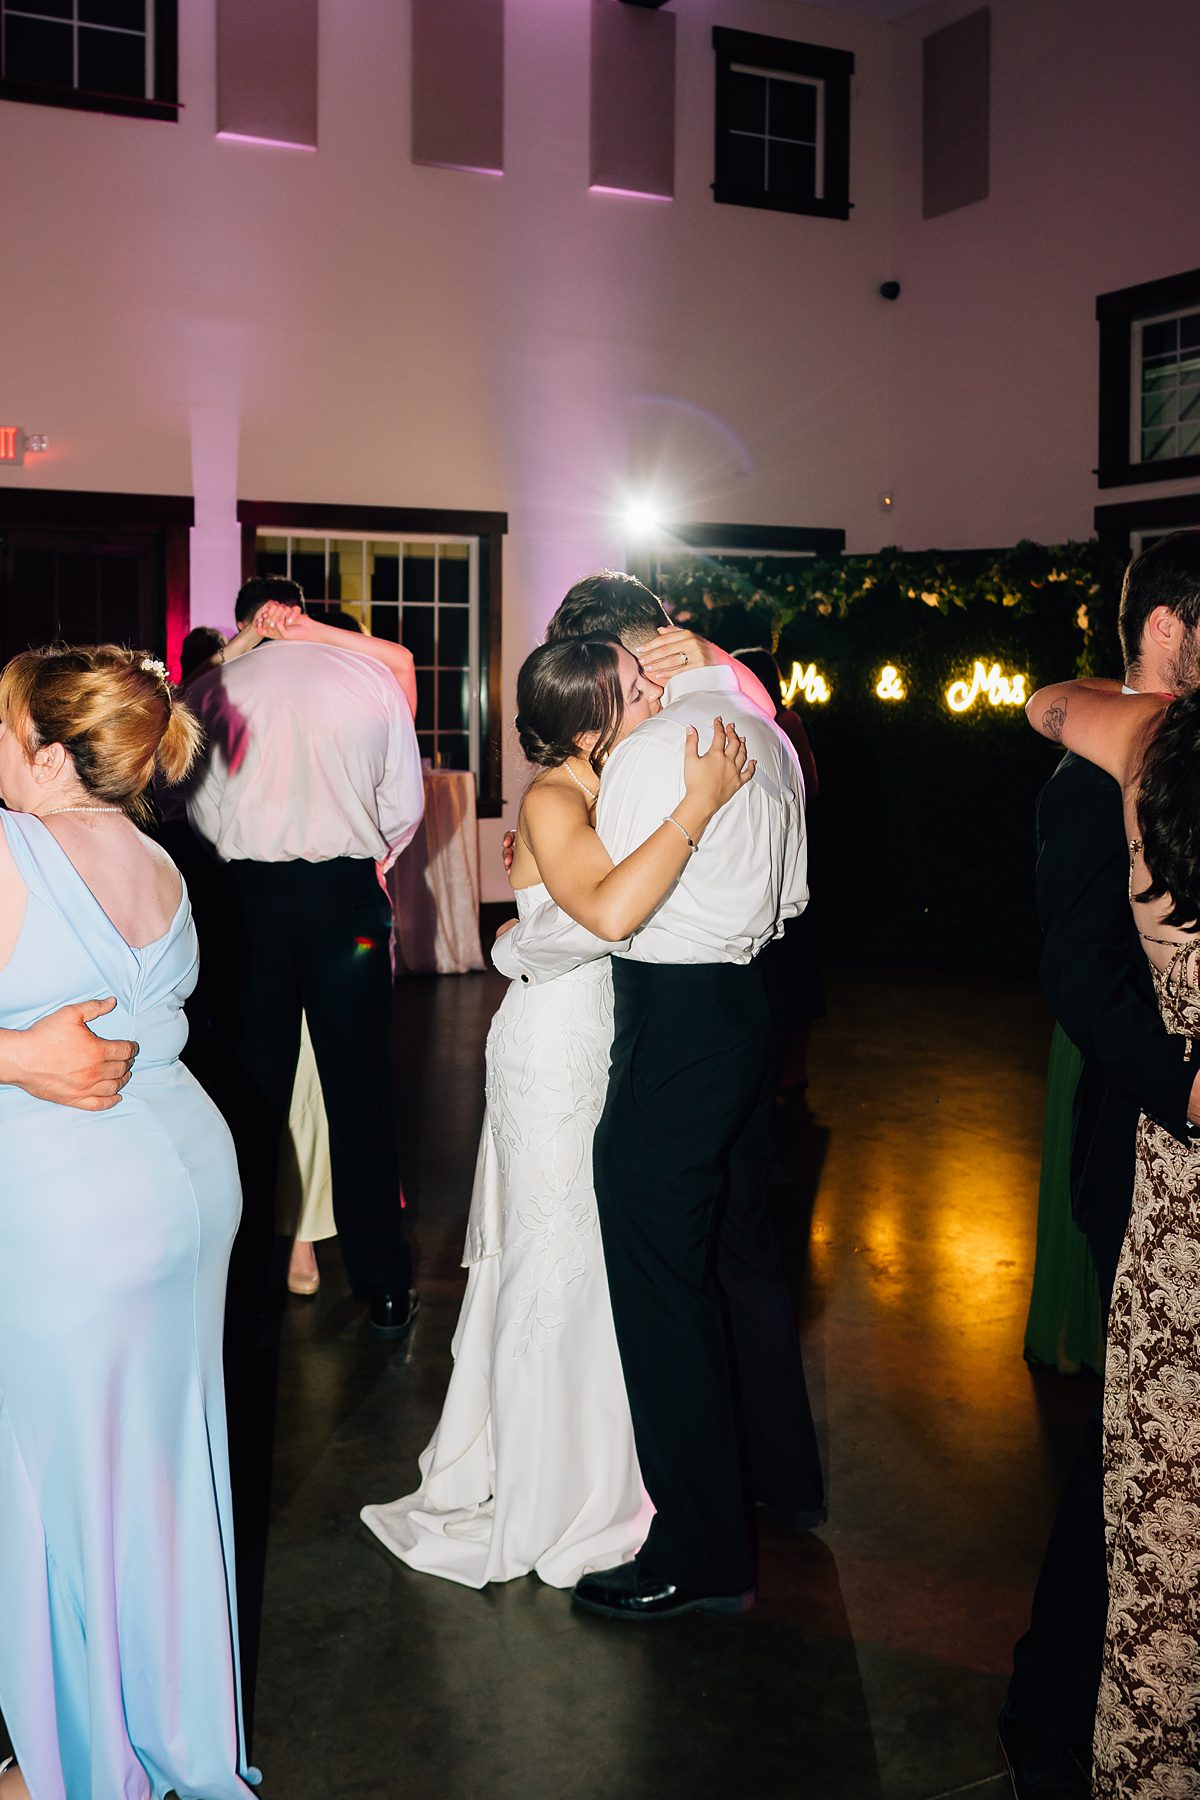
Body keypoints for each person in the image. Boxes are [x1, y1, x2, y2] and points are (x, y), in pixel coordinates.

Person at [362, 636, 754, 1587]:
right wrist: (699, 807)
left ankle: (614, 1471)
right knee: (555, 1261)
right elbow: (609, 914)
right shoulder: (551, 797)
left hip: (600, 1041)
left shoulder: (610, 781)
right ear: (586, 728)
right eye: (633, 686)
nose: (652, 690)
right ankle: (549, 1489)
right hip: (551, 1055)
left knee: (597, 1266)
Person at [496, 571, 821, 1621]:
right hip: (753, 1006)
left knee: (659, 1284)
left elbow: (606, 915)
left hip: (676, 1023)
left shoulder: (650, 755)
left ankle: (702, 1552)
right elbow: (788, 888)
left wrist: (514, 939)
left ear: (618, 661)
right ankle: (780, 1480)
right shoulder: (762, 729)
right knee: (740, 1255)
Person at [0, 645, 258, 1800]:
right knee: (159, 1475)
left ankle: (80, 1769)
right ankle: (170, 1738)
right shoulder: (158, 856)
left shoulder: (11, 850)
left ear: (54, 758)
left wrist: (16, 1055)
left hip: (73, 1204)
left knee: (58, 1489)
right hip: (187, 1184)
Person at [1001, 532, 1200, 1799]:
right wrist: (1182, 1090)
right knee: (1124, 1457)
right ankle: (1052, 1714)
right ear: (1170, 624)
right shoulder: (1100, 768)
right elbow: (1078, 973)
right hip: (1143, 1137)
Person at [184, 596, 423, 1338]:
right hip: (345, 900)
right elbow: (402, 804)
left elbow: (191, 801)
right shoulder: (368, 680)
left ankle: (248, 1281)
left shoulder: (217, 687)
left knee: (252, 1094)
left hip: (249, 902)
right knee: (361, 1090)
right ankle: (383, 1284)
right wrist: (364, 863)